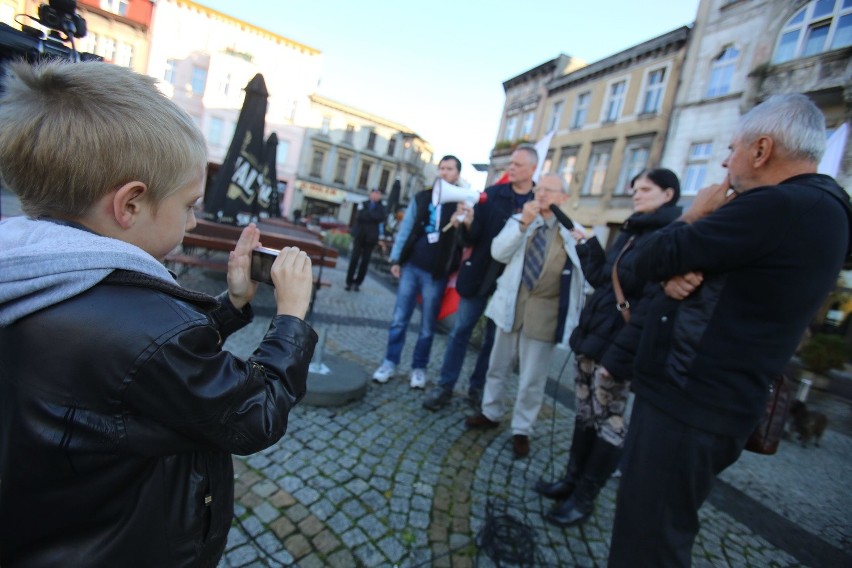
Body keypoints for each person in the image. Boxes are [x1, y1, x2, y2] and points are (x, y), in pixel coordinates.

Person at [0, 60, 318, 566]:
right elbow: (253, 416)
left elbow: (142, 375)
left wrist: (233, 304)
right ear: (130, 204)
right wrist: (292, 317)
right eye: (190, 204)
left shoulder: (35, 269)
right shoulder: (146, 327)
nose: (193, 221)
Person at [608, 94, 852, 567]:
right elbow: (718, 279)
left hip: (689, 403)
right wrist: (680, 273)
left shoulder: (778, 206)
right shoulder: (821, 209)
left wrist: (695, 216)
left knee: (648, 539)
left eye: (732, 148)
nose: (724, 161)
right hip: (709, 402)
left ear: (761, 150)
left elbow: (643, 260)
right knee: (656, 529)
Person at [536, 168, 682, 527]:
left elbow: (651, 306)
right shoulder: (633, 232)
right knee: (586, 414)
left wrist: (618, 360)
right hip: (595, 337)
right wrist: (587, 245)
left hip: (617, 349)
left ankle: (584, 498)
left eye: (646, 189)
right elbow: (604, 280)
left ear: (669, 195)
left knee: (610, 423)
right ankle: (571, 482)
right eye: (635, 188)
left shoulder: (669, 237)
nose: (637, 194)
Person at [464, 174, 585, 459]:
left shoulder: (573, 230)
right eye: (538, 189)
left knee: (532, 377)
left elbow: (587, 273)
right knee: (497, 365)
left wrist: (580, 243)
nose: (540, 194)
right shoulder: (519, 221)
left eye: (549, 190)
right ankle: (490, 411)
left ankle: (522, 429)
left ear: (563, 198)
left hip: (546, 311)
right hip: (512, 303)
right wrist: (522, 224)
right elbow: (498, 252)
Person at [423, 145, 539, 411]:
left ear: (532, 169)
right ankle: (446, 385)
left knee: (493, 342)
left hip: (510, 283)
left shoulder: (537, 202)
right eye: (510, 163)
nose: (511, 168)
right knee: (460, 332)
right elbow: (472, 238)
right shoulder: (493, 195)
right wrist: (468, 224)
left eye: (518, 165)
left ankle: (478, 389)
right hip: (478, 276)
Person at [371, 155, 463, 389]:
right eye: (441, 168)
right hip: (412, 266)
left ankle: (418, 368)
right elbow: (407, 227)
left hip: (437, 273)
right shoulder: (422, 196)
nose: (444, 172)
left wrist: (462, 221)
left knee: (427, 325)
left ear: (457, 174)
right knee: (399, 319)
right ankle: (389, 362)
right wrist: (396, 258)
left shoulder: (462, 202)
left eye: (449, 169)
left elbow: (464, 241)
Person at [345, 188, 386, 291]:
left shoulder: (381, 207)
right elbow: (359, 216)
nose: (376, 195)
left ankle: (358, 283)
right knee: (354, 259)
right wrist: (372, 216)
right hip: (359, 236)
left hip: (371, 239)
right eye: (374, 193)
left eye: (378, 194)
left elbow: (380, 218)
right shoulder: (363, 203)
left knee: (365, 262)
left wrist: (368, 214)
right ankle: (349, 282)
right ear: (370, 194)